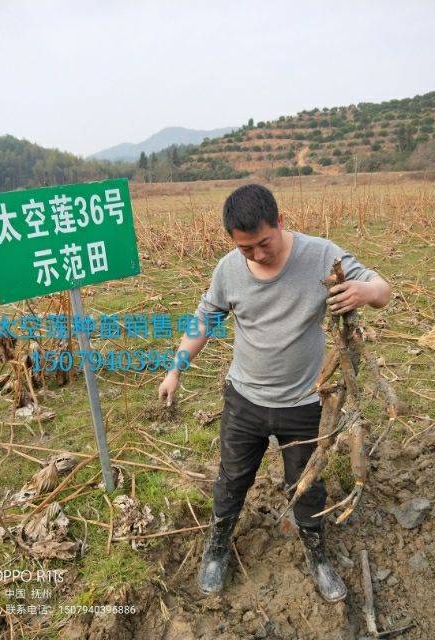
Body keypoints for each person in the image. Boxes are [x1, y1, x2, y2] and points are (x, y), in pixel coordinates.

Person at [158, 183, 391, 602]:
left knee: (307, 483)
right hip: (244, 400)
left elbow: (382, 288)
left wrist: (365, 291)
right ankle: (218, 546)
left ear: (280, 222)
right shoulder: (229, 269)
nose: (258, 255)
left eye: (264, 243)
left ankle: (316, 553)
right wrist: (176, 368)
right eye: (247, 249)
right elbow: (205, 317)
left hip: (304, 403)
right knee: (232, 479)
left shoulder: (319, 254)